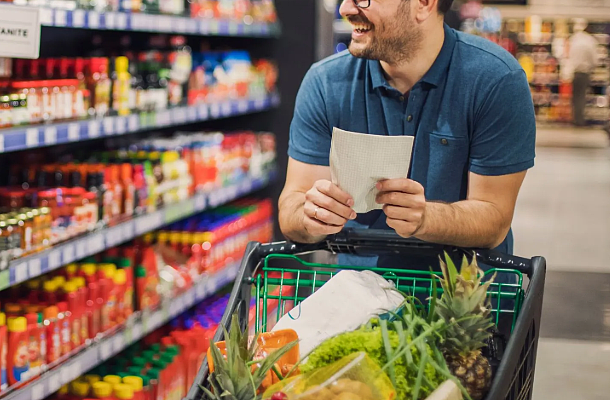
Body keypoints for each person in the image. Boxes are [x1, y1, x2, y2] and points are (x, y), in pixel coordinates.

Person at [278, 0, 536, 269]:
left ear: (423, 4)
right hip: (357, 299)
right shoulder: (325, 83)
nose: (345, 9)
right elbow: (292, 208)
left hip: (467, 300)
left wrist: (426, 218)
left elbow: (494, 218)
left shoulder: (495, 80)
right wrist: (311, 217)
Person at [568, 18, 599, 127]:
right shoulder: (590, 41)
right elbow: (594, 59)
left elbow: (569, 57)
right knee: (582, 96)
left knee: (575, 97)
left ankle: (576, 118)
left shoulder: (574, 39)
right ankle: (580, 120)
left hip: (575, 72)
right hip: (585, 72)